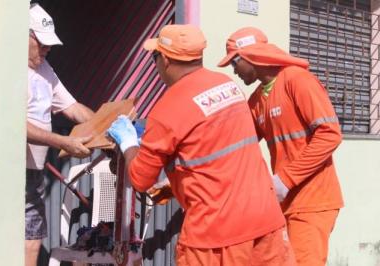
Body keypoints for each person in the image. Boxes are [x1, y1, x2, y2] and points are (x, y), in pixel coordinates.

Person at [107, 24, 295, 265]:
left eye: (155, 57)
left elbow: (141, 179)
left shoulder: (167, 109)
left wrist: (129, 143)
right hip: (265, 221)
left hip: (216, 236)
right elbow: (208, 144)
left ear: (165, 60)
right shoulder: (228, 86)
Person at [218, 27, 344, 266]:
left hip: (313, 202)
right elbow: (234, 148)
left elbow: (330, 135)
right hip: (281, 205)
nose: (234, 72)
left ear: (247, 57)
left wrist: (285, 179)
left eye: (234, 64)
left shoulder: (297, 80)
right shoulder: (256, 101)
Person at [26, 4, 94, 266]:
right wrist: (64, 142)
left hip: (34, 173)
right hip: (6, 173)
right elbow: (15, 126)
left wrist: (105, 126)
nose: (47, 50)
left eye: (49, 45)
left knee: (31, 239)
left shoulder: (45, 70)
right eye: (41, 44)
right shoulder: (7, 72)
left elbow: (73, 108)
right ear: (25, 36)